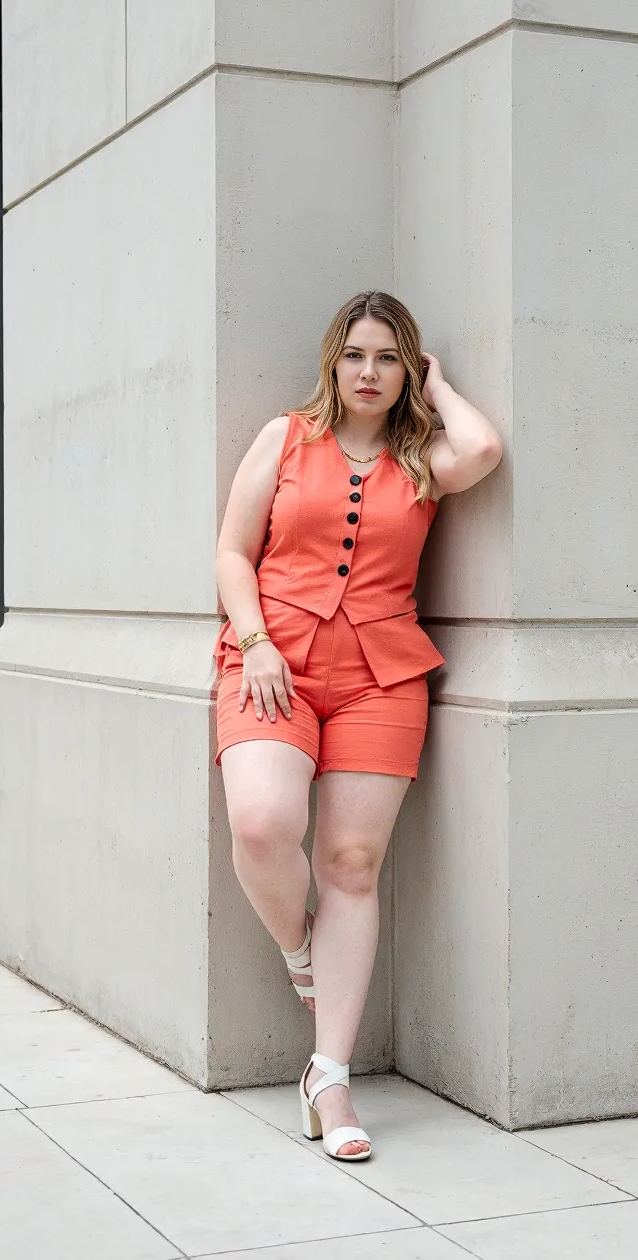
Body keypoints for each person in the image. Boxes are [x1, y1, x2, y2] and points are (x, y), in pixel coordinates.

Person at [213, 290, 502, 1161]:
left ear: (406, 369)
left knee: (350, 864)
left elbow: (483, 448)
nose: (368, 372)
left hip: (383, 680)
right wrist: (256, 643)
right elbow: (233, 552)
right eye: (354, 355)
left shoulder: (421, 461)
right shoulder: (284, 438)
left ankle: (329, 1079)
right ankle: (302, 949)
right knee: (262, 823)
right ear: (331, 361)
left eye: (387, 358)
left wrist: (437, 387)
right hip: (272, 663)